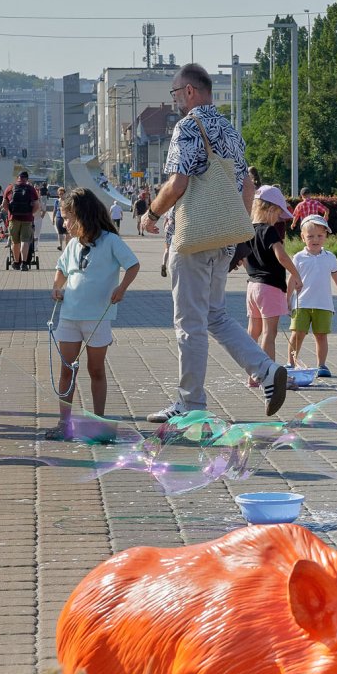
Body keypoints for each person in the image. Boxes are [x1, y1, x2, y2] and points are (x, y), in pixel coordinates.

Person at [141, 63, 288, 421]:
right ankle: (265, 370)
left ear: (190, 91)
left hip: (192, 237)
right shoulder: (231, 131)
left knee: (189, 323)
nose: (175, 101)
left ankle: (190, 405)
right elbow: (248, 187)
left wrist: (152, 215)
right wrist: (241, 236)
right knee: (216, 316)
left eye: (175, 94)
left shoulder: (188, 126)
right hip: (224, 237)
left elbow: (178, 184)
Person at [45, 188, 140, 441]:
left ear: (83, 215)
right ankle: (64, 424)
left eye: (67, 218)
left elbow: (133, 265)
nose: (64, 223)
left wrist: (122, 288)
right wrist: (57, 287)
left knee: (95, 370)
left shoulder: (110, 241)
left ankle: (99, 422)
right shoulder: (73, 244)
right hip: (69, 317)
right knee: (67, 370)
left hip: (97, 317)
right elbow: (61, 269)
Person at [236, 185, 303, 373]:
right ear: (270, 209)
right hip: (270, 287)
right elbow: (281, 256)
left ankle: (252, 374)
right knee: (269, 333)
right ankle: (268, 375)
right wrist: (296, 274)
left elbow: (242, 259)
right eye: (277, 214)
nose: (277, 220)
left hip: (252, 287)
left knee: (253, 332)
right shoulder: (269, 231)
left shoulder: (247, 230)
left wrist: (254, 273)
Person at [287, 216, 337, 375]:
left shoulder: (330, 257)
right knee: (297, 334)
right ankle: (290, 363)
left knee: (321, 336)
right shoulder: (298, 257)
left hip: (324, 304)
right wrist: (286, 298)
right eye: (310, 236)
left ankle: (321, 365)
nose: (315, 239)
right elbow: (291, 279)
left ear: (325, 237)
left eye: (319, 236)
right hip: (301, 303)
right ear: (303, 237)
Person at [2, 170, 40, 270]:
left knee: (15, 242)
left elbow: (4, 204)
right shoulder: (31, 189)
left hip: (13, 218)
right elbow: (37, 205)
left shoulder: (10, 187)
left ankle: (16, 262)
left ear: (17, 177)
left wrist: (9, 212)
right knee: (25, 241)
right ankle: (24, 263)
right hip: (27, 219)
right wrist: (31, 213)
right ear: (27, 179)